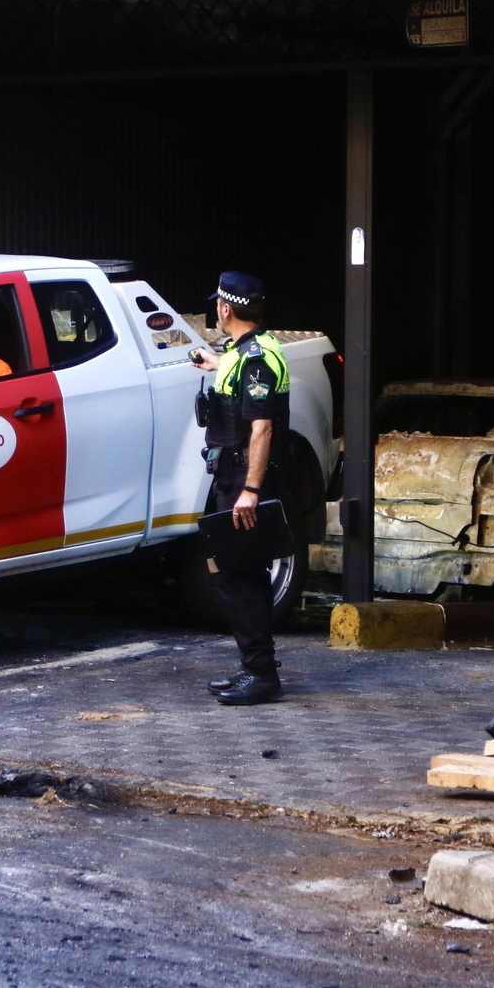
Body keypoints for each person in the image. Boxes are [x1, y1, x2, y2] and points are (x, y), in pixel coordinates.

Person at [190, 271, 291, 706]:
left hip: (243, 480)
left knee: (238, 574)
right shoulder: (243, 352)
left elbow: (262, 428)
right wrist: (214, 364)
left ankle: (261, 673)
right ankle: (255, 666)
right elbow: (238, 372)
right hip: (231, 476)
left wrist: (251, 489)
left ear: (225, 308)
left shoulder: (257, 359)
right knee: (238, 572)